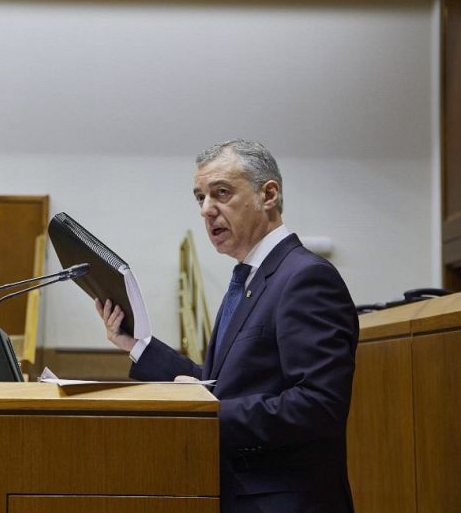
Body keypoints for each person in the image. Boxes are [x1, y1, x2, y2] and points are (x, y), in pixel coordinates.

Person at [96, 139, 358, 512]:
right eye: (199, 198)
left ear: (268, 195)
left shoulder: (305, 277)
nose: (206, 210)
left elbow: (319, 405)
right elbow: (222, 386)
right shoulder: (249, 280)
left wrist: (207, 414)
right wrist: (137, 344)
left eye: (221, 193)